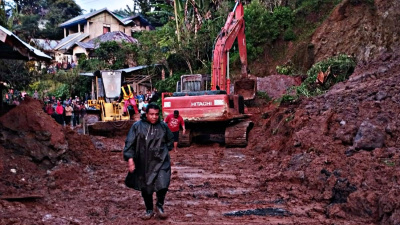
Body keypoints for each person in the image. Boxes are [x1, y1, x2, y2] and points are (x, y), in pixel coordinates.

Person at [123, 103, 174, 220]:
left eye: (156, 114)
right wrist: (130, 159)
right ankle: (149, 209)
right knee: (146, 187)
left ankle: (159, 206)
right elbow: (129, 143)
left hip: (161, 161)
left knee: (163, 184)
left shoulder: (163, 126)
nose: (154, 117)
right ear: (146, 114)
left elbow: (170, 140)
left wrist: (163, 151)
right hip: (143, 162)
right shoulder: (137, 126)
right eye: (151, 114)